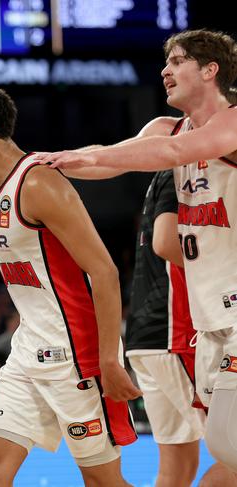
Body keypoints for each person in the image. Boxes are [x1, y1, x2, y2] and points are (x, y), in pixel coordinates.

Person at [39, 29, 237, 473]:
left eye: (178, 60)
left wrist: (79, 158)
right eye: (165, 62)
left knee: (230, 443)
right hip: (209, 319)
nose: (165, 71)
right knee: (225, 448)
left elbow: (171, 151)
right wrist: (46, 164)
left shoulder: (232, 122)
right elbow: (114, 158)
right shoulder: (166, 128)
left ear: (210, 70)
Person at [0, 81, 141, 487]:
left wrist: (107, 361)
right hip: (30, 350)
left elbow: (104, 272)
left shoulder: (39, 184)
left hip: (77, 356)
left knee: (103, 481)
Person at [125, 169, 206, 486]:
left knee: (177, 470)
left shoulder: (168, 171)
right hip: (176, 331)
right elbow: (165, 242)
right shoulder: (185, 166)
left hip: (150, 336)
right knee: (231, 458)